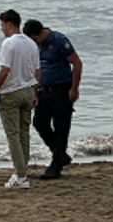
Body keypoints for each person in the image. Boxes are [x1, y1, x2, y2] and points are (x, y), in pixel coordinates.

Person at [23, 19, 83, 180]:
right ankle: (60, 155)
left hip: (61, 89)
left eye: (35, 38)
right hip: (43, 90)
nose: (34, 42)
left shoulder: (59, 41)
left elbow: (77, 64)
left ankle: (56, 165)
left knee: (61, 127)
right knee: (39, 123)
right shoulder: (34, 46)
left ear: (41, 32)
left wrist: (74, 89)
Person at [0, 9, 39, 190]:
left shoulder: (9, 44)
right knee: (24, 132)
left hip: (11, 91)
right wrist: (35, 92)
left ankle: (21, 175)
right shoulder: (31, 44)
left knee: (13, 135)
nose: (1, 28)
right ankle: (22, 168)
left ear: (9, 24)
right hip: (28, 89)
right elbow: (38, 71)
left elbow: (5, 70)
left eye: (2, 25)